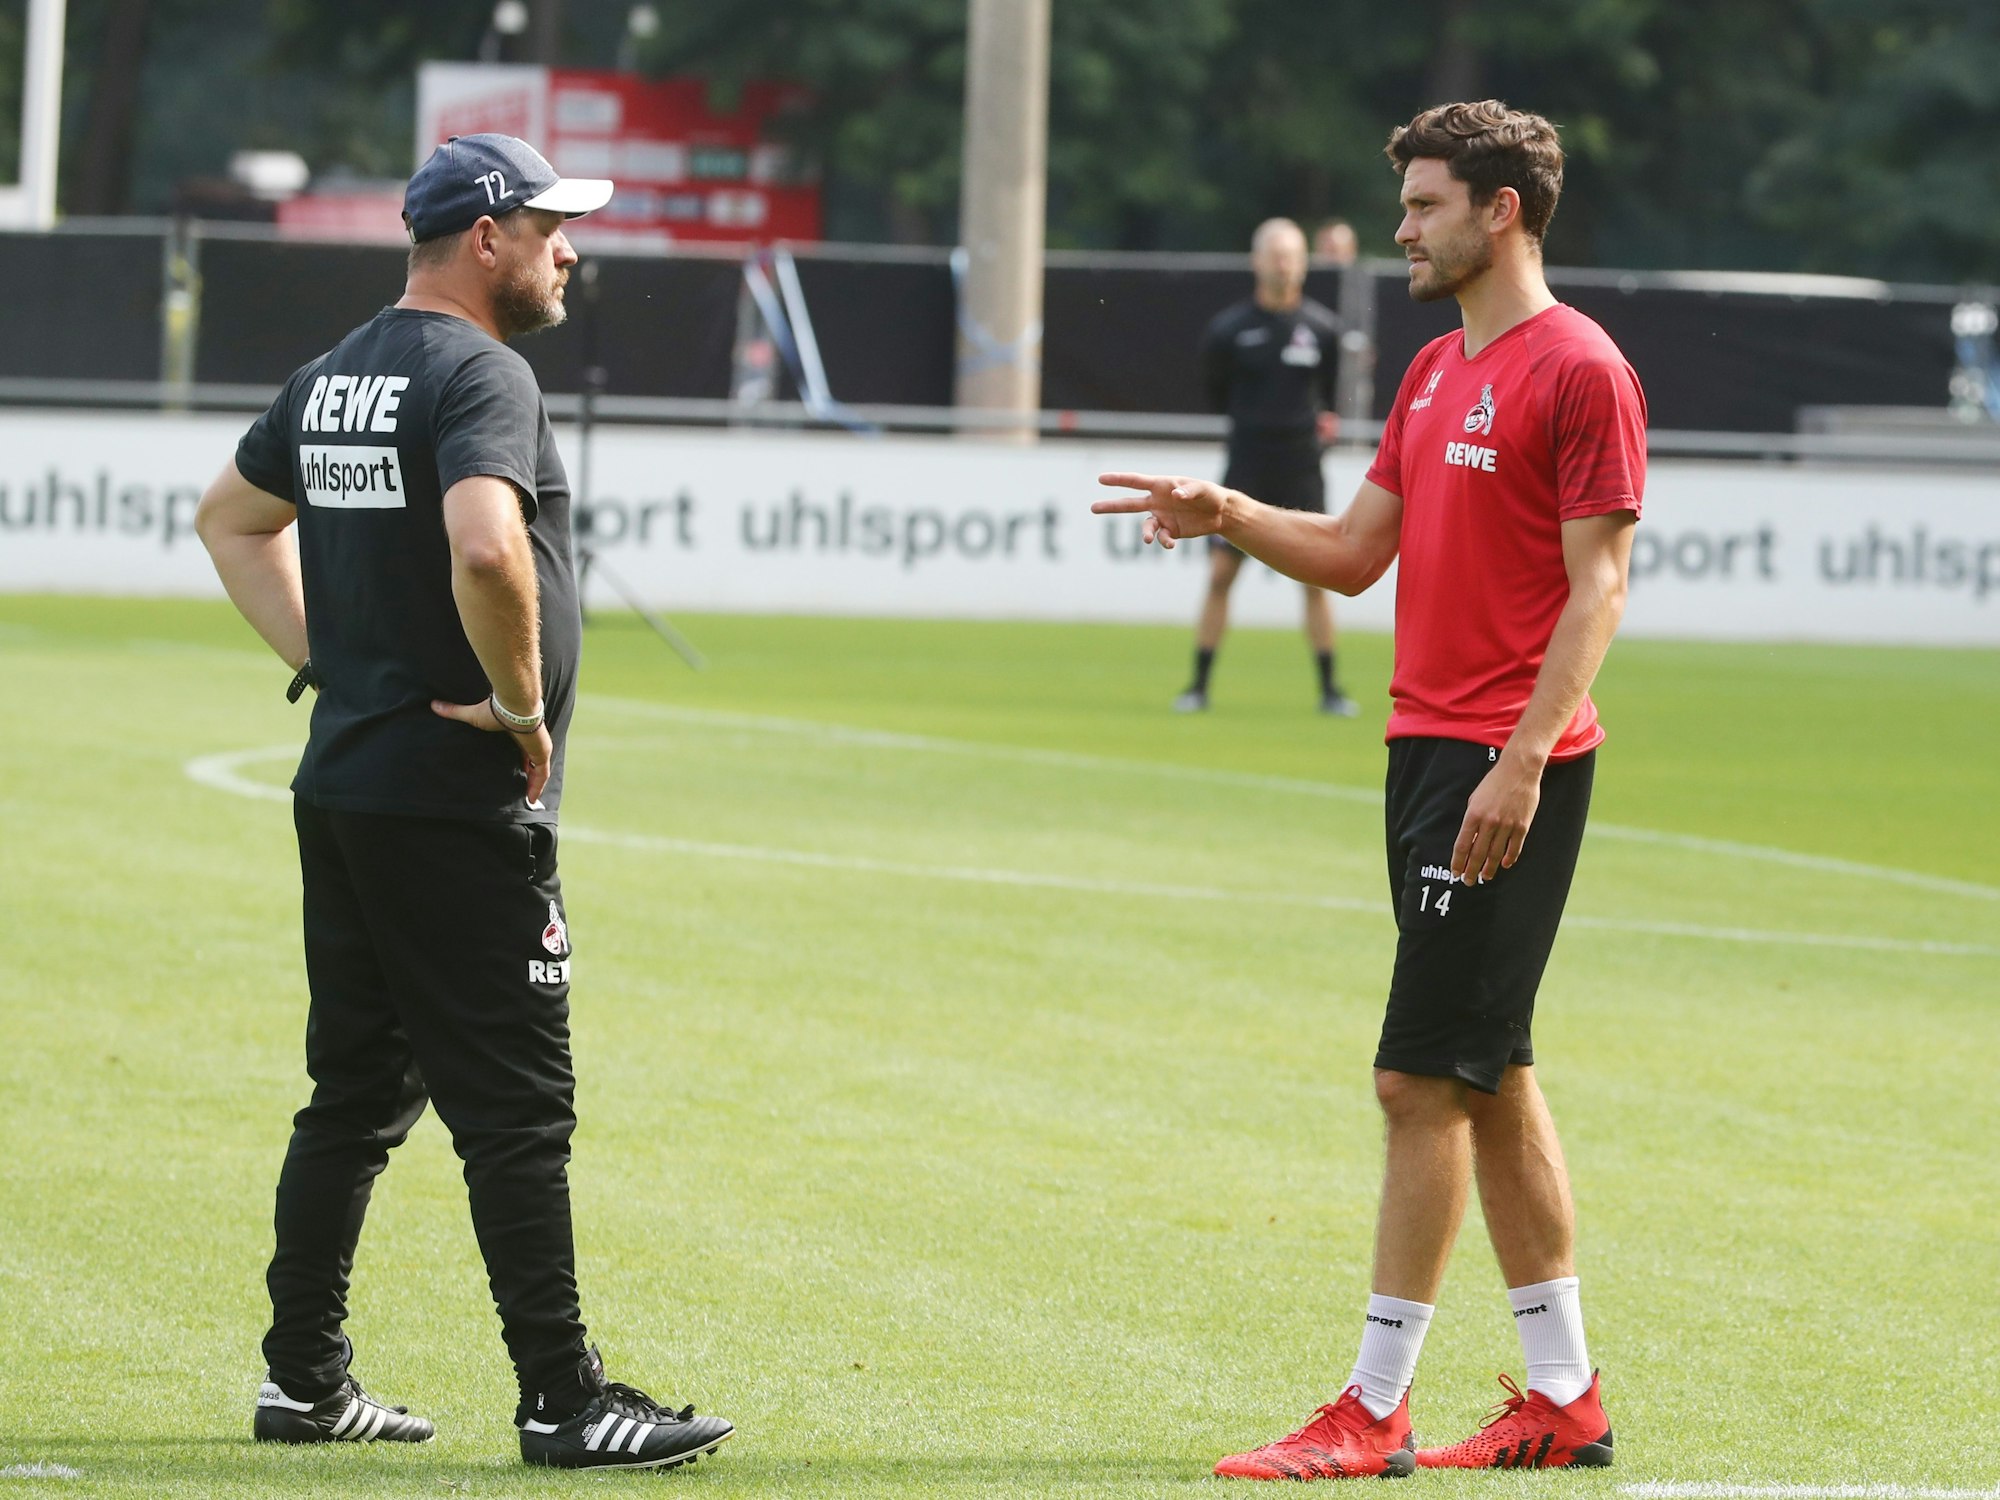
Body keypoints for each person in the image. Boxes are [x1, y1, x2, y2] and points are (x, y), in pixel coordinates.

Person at [1095, 99, 1645, 1481]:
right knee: (1489, 1072)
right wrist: (1228, 513)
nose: (1399, 229)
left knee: (1416, 1082)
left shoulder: (1580, 370)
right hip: (1423, 754)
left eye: (1422, 206)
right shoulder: (1431, 372)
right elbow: (1351, 556)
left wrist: (1522, 757)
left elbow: (1603, 586)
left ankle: (1375, 1407)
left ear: (1499, 211)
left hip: (1506, 764)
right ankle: (1564, 1399)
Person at [193, 133, 735, 1473]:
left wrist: (329, 663)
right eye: (552, 226)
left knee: (356, 1093)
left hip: (350, 785)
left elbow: (228, 519)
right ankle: (564, 1398)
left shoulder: (336, 373)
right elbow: (489, 544)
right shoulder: (481, 370)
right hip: (453, 800)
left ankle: (302, 1380)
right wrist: (520, 706)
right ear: (485, 238)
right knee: (516, 1110)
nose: (570, 251)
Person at [1183, 217, 1358, 717]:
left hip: (1302, 465)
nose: (1284, 263)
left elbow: (1329, 394)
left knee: (1316, 578)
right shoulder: (1230, 331)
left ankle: (1329, 689)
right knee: (1220, 575)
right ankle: (1197, 685)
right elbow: (1216, 393)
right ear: (1257, 261)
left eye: (1292, 254)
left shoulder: (1323, 330)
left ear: (1303, 263)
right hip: (1247, 464)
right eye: (1275, 254)